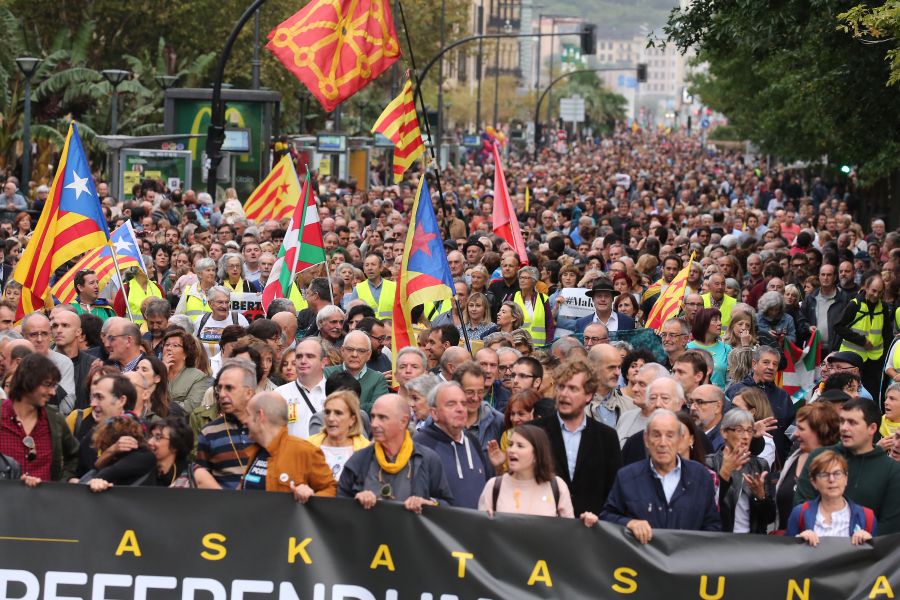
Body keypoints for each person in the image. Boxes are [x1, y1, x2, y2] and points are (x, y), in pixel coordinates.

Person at [601, 409, 722, 542]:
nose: (663, 443)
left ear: (680, 440)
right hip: (643, 559)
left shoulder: (700, 477)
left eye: (670, 435)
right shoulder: (627, 477)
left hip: (688, 559)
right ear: (646, 439)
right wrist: (629, 523)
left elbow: (712, 527)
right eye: (656, 435)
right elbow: (607, 517)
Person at [795, 398, 900, 534]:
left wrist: (858, 544)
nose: (844, 428)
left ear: (872, 428)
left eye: (852, 422)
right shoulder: (820, 456)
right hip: (815, 548)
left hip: (865, 552)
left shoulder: (892, 471)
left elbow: (890, 526)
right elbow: (801, 503)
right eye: (842, 421)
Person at [338, 393, 454, 512]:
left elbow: (448, 507)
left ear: (403, 421)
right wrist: (355, 501)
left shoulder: (427, 459)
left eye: (382, 418)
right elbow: (339, 506)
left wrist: (429, 504)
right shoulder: (359, 459)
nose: (374, 424)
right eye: (373, 417)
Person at [537, 358, 622, 516]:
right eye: (561, 387)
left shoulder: (606, 438)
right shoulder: (536, 431)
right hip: (544, 527)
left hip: (590, 530)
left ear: (588, 395)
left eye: (573, 389)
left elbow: (614, 490)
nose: (564, 394)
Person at [479, 424, 599, 526]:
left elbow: (569, 535)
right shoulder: (494, 486)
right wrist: (486, 521)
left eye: (520, 446)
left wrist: (584, 524)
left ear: (537, 454)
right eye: (510, 444)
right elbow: (480, 533)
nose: (511, 450)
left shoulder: (557, 486)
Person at [242, 391, 337, 500]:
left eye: (248, 414)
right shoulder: (254, 451)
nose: (244, 421)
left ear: (259, 416)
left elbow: (332, 489)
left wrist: (312, 497)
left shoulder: (304, 451)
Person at [0, 354, 78, 481]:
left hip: (44, 499)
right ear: (28, 381)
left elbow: (73, 455)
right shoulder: (1, 413)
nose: (53, 392)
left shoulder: (54, 420)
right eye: (47, 384)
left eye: (54, 386)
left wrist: (63, 482)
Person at [414, 381, 491, 509]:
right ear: (434, 413)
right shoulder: (421, 445)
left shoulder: (473, 441)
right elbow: (417, 496)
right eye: (451, 404)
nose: (460, 409)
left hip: (479, 527)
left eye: (463, 403)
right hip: (441, 527)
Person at [705, 408, 775, 533]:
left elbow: (770, 518)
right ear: (724, 432)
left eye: (750, 431)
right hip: (720, 543)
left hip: (751, 544)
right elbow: (705, 509)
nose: (746, 436)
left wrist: (761, 497)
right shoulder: (709, 464)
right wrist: (724, 474)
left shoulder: (760, 465)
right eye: (739, 430)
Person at [773, 402, 840, 531]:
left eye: (801, 429)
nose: (795, 434)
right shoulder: (794, 458)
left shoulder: (835, 466)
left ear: (820, 431)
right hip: (784, 545)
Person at [786, 450, 876, 545]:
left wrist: (869, 542)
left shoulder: (866, 516)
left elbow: (877, 557)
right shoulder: (800, 513)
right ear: (814, 482)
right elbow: (787, 554)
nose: (831, 479)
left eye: (837, 473)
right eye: (824, 474)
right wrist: (798, 541)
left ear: (846, 478)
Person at [195, 359, 258, 490]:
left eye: (229, 388)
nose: (222, 394)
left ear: (249, 392)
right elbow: (200, 481)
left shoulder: (268, 428)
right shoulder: (209, 432)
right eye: (219, 388)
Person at [726, 346, 795, 463]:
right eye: (766, 362)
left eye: (775, 364)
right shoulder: (735, 391)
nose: (771, 367)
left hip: (775, 466)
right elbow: (726, 424)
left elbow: (791, 432)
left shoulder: (783, 397)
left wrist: (786, 458)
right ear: (754, 364)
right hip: (739, 459)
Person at [835, 274, 892, 397]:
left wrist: (887, 357)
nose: (876, 295)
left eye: (880, 292)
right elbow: (838, 326)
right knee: (849, 393)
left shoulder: (883, 307)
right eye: (873, 291)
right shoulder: (855, 304)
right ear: (866, 287)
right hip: (852, 359)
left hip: (874, 360)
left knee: (871, 395)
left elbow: (887, 334)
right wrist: (861, 340)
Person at [307, 390, 371, 480]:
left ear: (352, 419)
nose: (331, 418)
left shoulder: (367, 450)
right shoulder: (308, 446)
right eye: (327, 412)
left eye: (338, 413)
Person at [80, 415, 156, 490]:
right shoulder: (118, 457)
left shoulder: (142, 457)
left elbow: (105, 474)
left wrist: (111, 450)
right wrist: (111, 451)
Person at [324, 330, 390, 413]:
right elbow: (320, 405)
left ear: (369, 355)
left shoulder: (378, 379)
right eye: (350, 349)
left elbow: (378, 410)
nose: (354, 354)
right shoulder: (327, 373)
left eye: (361, 351)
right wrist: (365, 406)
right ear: (342, 351)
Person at [277, 338, 327, 439]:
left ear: (324, 362)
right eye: (299, 357)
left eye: (310, 356)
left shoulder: (336, 393)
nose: (303, 361)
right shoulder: (279, 394)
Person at [148, 416, 218, 488]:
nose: (149, 442)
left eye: (158, 437)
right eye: (150, 436)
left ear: (175, 444)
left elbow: (221, 498)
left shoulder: (194, 474)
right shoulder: (145, 470)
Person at [800, 263, 849, 355]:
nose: (825, 277)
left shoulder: (844, 298)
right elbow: (801, 319)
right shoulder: (810, 298)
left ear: (835, 277)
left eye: (829, 275)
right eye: (823, 274)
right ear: (819, 277)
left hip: (836, 350)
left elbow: (848, 324)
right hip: (813, 350)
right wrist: (808, 327)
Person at [162, 329, 211, 413]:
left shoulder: (198, 377)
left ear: (185, 353)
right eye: (167, 345)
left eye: (175, 345)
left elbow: (190, 407)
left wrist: (161, 406)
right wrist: (162, 373)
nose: (169, 348)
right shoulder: (154, 372)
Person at [194, 286, 249, 358]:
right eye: (220, 302)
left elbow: (248, 346)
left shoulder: (239, 319)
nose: (224, 306)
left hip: (231, 366)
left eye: (227, 302)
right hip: (205, 367)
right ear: (210, 303)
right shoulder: (200, 320)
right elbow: (194, 347)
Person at [686, 308, 731, 388]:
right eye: (715, 320)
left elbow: (731, 379)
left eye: (719, 320)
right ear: (703, 323)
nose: (720, 323)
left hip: (719, 397)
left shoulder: (726, 348)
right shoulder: (688, 348)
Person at [513, 266, 554, 345]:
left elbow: (549, 324)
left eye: (526, 278)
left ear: (534, 281)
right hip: (518, 345)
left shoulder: (543, 299)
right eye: (521, 277)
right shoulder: (512, 297)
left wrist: (548, 343)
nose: (522, 280)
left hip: (539, 347)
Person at [350, 254, 395, 319]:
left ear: (381, 268)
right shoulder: (358, 289)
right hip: (367, 327)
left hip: (389, 327)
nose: (370, 268)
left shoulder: (394, 287)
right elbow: (352, 313)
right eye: (367, 265)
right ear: (364, 270)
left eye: (373, 264)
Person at [690, 384, 727, 451]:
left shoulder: (725, 443)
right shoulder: (688, 432)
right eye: (691, 402)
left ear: (718, 407)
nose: (692, 407)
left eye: (700, 402)